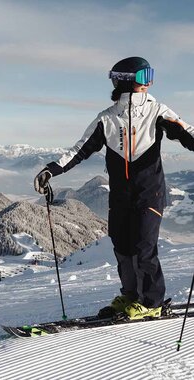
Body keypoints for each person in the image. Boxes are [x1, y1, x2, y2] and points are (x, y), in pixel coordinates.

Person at [34, 56, 194, 320]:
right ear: (127, 81)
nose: (149, 83)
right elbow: (80, 150)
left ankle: (151, 301)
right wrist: (52, 169)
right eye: (145, 77)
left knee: (144, 247)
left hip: (149, 192)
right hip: (120, 196)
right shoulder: (106, 119)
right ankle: (131, 297)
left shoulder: (158, 111)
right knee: (123, 247)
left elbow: (186, 132)